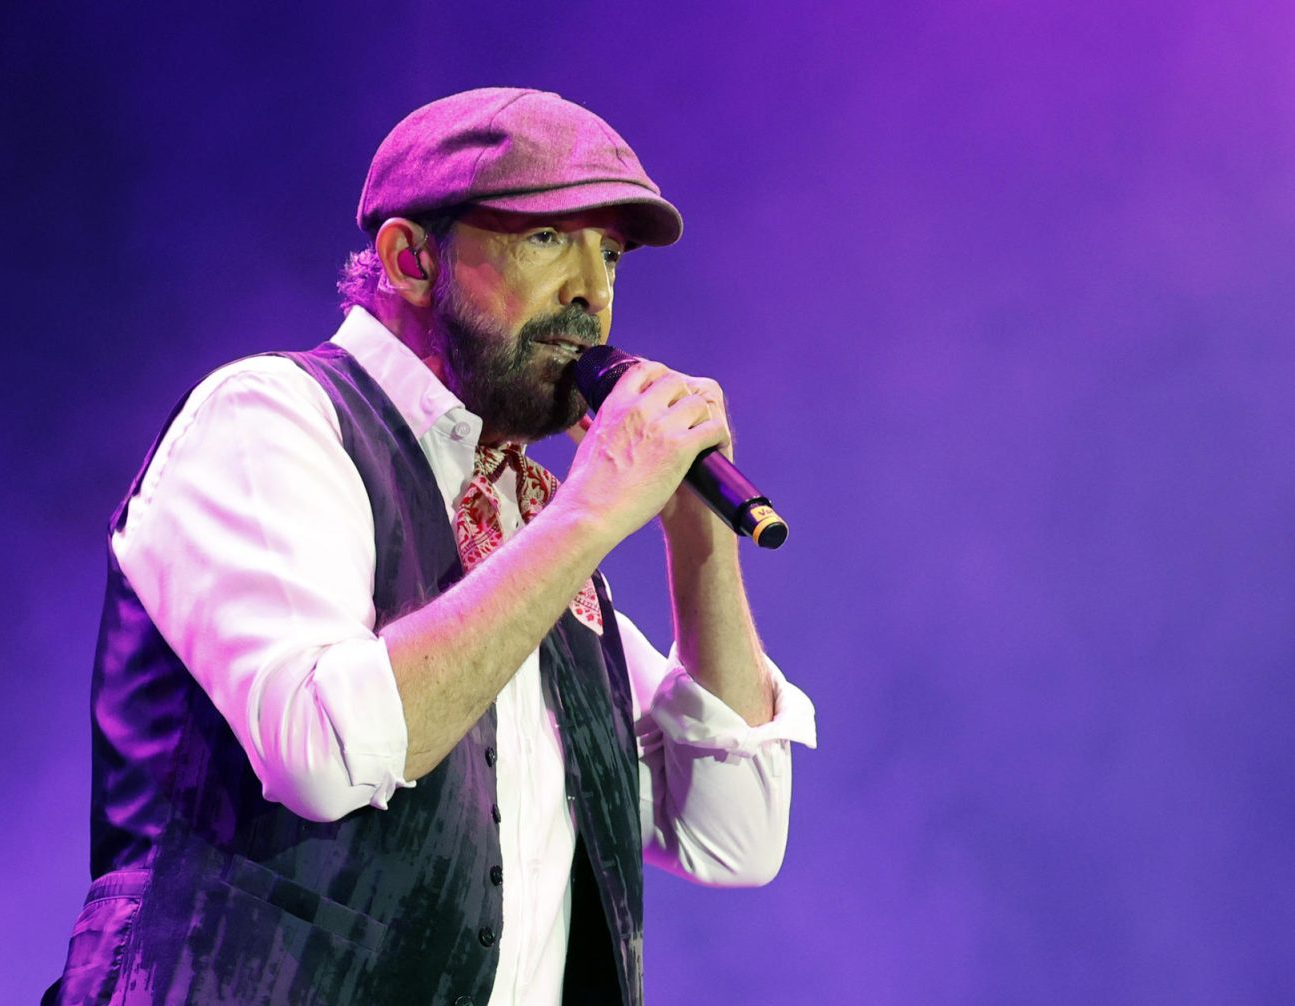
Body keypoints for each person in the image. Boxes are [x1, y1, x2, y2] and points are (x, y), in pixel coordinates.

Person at [43, 87, 816, 1006]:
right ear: (412, 259)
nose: (594, 292)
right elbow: (320, 751)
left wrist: (697, 538)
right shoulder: (272, 420)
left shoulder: (535, 536)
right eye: (546, 239)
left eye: (608, 253)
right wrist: (597, 510)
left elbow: (733, 833)